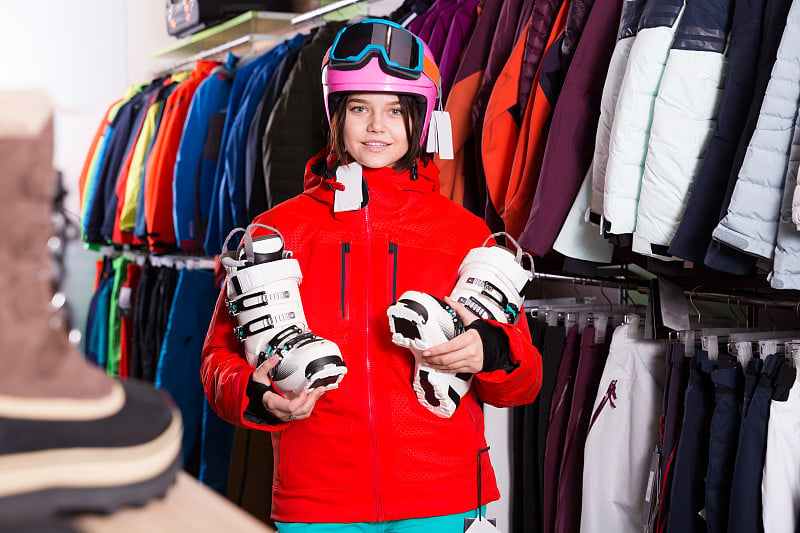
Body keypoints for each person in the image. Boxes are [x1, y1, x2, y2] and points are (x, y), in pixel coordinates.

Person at [201, 18, 542, 532]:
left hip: (443, 498)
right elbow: (216, 361)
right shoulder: (275, 231)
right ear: (335, 114)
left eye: (395, 111)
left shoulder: (465, 234)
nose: (377, 127)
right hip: (318, 501)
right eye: (360, 108)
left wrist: (487, 351)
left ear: (421, 119)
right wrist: (256, 393)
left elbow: (525, 380)